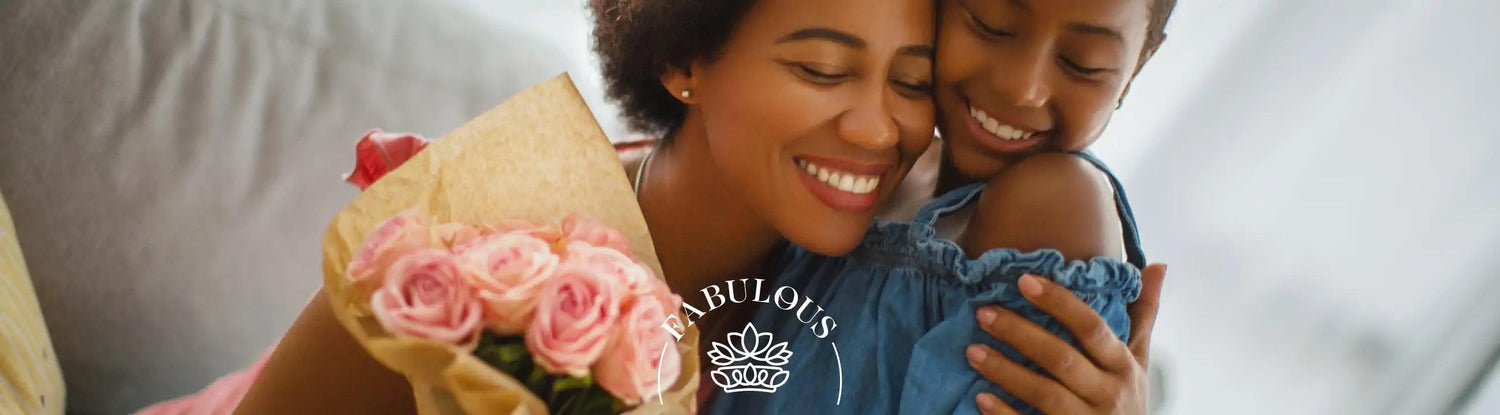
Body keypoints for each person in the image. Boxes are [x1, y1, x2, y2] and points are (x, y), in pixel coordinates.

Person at [143, 0, 939, 413]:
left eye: (911, 82)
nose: (879, 127)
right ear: (682, 60)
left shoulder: (882, 261)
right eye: (824, 69)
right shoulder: (482, 235)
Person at [705, 0, 1176, 413]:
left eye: (1082, 63)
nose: (1021, 89)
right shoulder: (878, 167)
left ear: (1135, 68)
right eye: (991, 25)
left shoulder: (1054, 204)